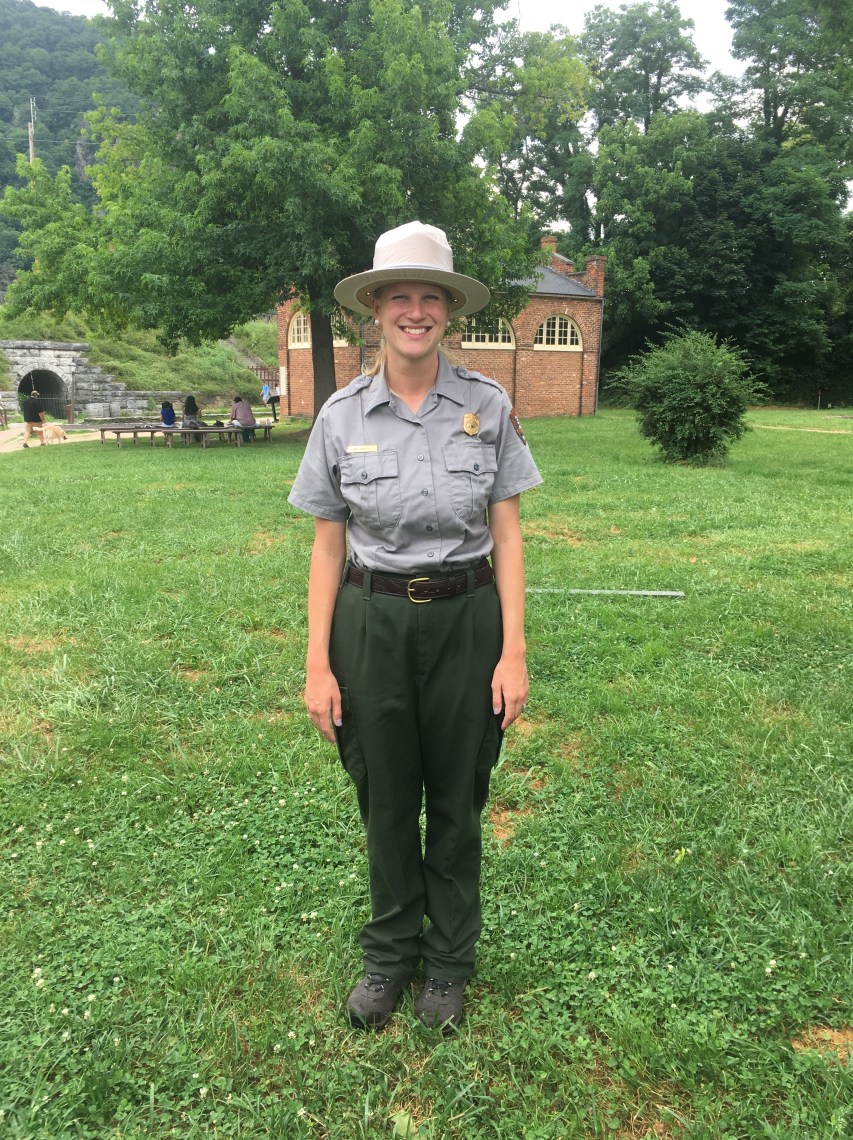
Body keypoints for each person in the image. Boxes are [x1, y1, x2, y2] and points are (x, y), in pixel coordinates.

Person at [288, 221, 542, 1034]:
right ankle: (390, 957)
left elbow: (506, 534)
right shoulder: (338, 416)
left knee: (459, 799)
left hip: (467, 620)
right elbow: (328, 546)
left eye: (430, 296)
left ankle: (447, 965)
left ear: (448, 312)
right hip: (371, 625)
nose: (414, 310)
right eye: (399, 295)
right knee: (387, 799)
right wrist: (317, 666)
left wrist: (513, 651)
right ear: (374, 307)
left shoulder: (487, 406)